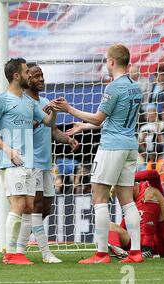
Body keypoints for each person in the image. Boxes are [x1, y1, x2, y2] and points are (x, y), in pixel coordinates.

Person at [54, 44, 144, 263]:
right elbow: (114, 119)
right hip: (130, 145)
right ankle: (136, 252)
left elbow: (99, 119)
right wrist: (82, 127)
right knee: (127, 201)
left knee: (99, 196)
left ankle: (102, 253)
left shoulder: (113, 88)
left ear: (112, 62)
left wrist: (69, 109)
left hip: (112, 147)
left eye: (106, 60)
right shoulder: (135, 87)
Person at [0, 58, 58, 265]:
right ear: (16, 76)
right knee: (18, 205)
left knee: (27, 206)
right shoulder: (0, 101)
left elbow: (47, 122)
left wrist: (54, 112)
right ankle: (10, 253)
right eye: (26, 72)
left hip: (30, 162)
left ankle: (17, 252)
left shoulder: (28, 102)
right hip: (12, 161)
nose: (29, 75)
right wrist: (7, 150)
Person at [25, 62, 79, 263]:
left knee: (46, 208)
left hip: (47, 163)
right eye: (36, 76)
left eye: (42, 75)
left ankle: (16, 243)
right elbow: (22, 129)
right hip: (31, 163)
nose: (41, 79)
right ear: (26, 78)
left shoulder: (45, 100)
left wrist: (68, 139)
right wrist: (42, 116)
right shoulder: (22, 102)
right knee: (36, 207)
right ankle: (45, 253)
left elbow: (53, 130)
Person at [108, 170, 164, 258]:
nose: (120, 198)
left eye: (120, 194)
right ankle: (119, 252)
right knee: (109, 226)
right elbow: (122, 232)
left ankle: (146, 248)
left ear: (131, 186)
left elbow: (154, 174)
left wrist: (125, 179)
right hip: (152, 248)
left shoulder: (149, 187)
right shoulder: (130, 207)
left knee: (151, 192)